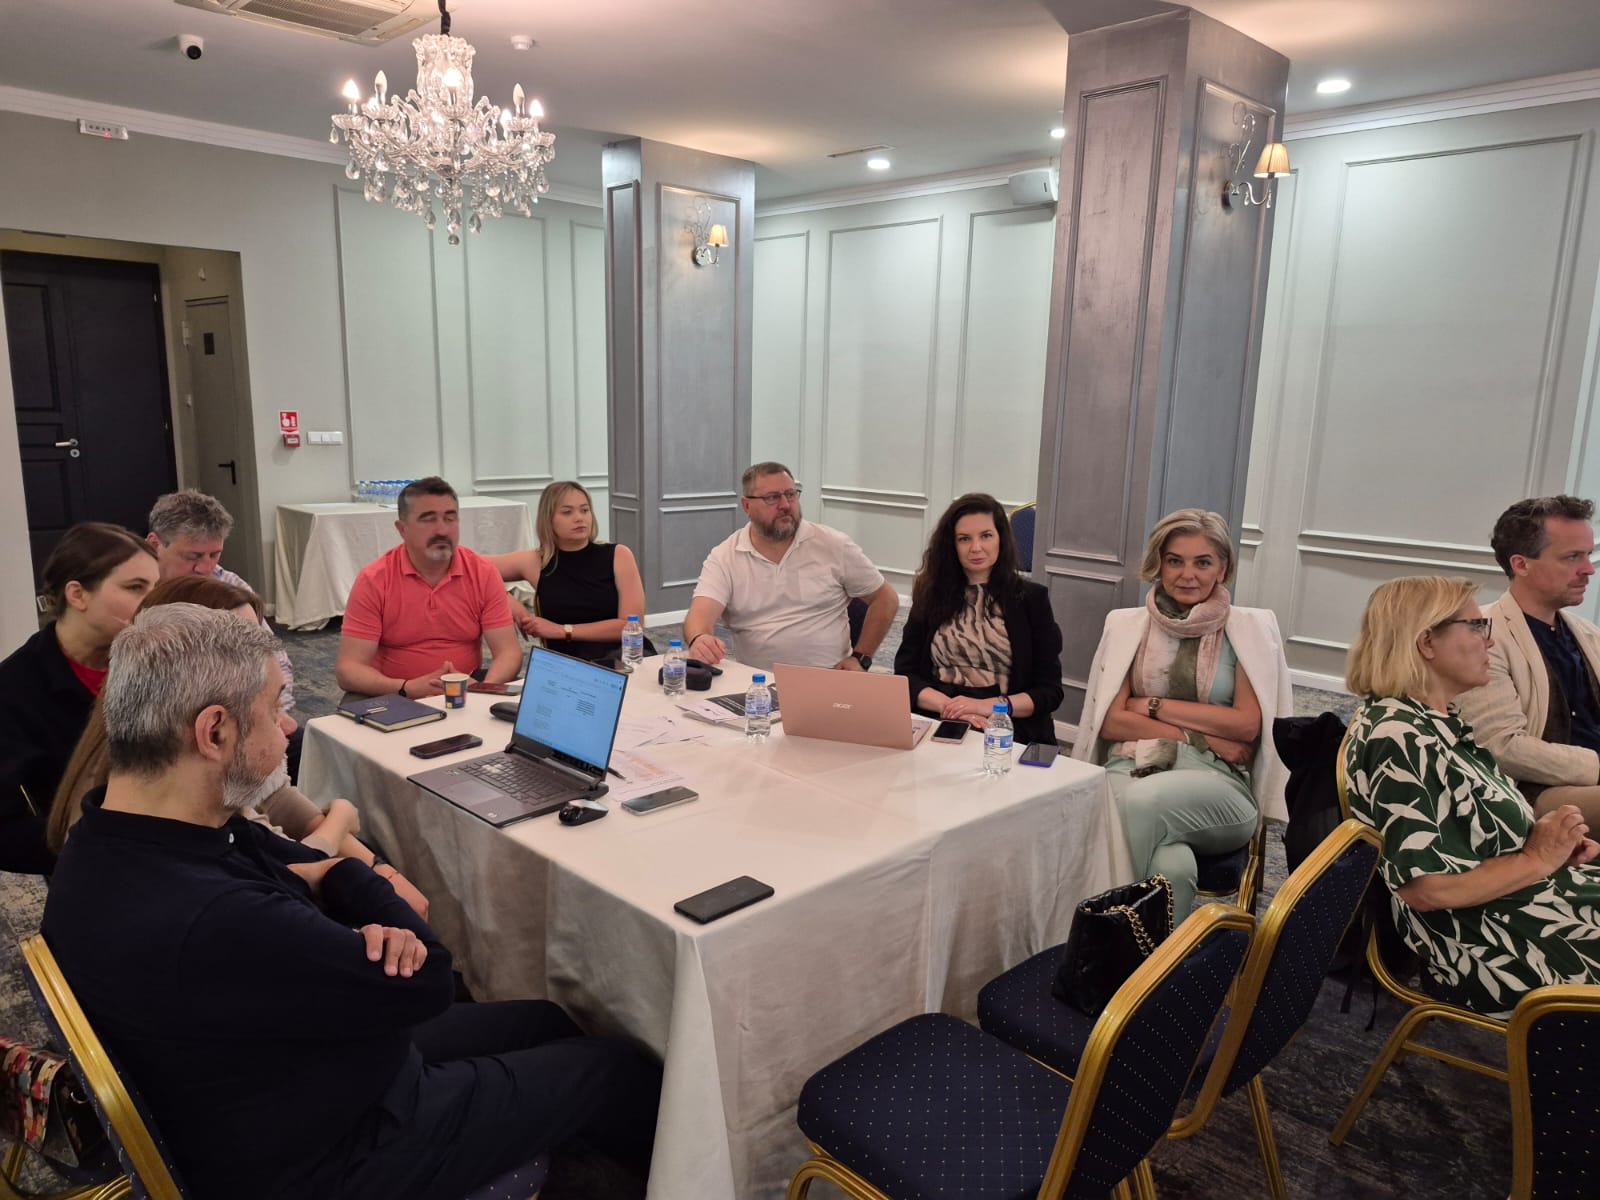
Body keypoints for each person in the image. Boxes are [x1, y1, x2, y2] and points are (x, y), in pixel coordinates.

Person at [42, 604, 661, 1199]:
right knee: (613, 1068)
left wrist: (329, 882)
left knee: (545, 1021)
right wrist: (347, 876)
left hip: (280, 1074)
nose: (289, 727)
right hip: (336, 1147)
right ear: (214, 731)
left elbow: (296, 873)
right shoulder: (218, 914)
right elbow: (429, 980)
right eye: (273, 709)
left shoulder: (108, 837)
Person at [46, 575, 429, 917]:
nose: (286, 722)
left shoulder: (163, 772)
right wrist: (341, 830)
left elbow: (280, 806)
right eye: (240, 642)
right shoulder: (192, 796)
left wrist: (375, 867)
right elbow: (276, 873)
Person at [1343, 575, 1600, 1018]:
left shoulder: (1436, 721)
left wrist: (1550, 848)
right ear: (1427, 642)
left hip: (1518, 906)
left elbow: (1468, 836)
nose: (1490, 641)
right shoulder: (1399, 737)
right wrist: (1536, 858)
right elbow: (1427, 889)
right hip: (1491, 938)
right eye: (1477, 626)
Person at [1072, 508, 1292, 917]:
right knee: (1173, 865)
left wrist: (1152, 706)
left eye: (1202, 562)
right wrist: (1199, 735)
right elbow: (1113, 721)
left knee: (1138, 804)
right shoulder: (1126, 626)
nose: (1187, 574)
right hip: (1130, 765)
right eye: (1175, 561)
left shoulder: (1248, 629)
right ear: (1159, 564)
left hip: (1219, 781)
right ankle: (1162, 957)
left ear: (1222, 568)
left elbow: (1245, 725)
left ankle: (1096, 936)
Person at [0, 523, 158, 874]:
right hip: (92, 865)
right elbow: (7, 831)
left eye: (156, 588)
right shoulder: (14, 689)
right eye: (135, 587)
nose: (154, 601)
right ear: (77, 595)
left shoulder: (154, 661)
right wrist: (98, 844)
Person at [1456, 495, 1600, 826]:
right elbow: (1502, 747)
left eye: (1588, 555)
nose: (1589, 569)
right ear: (1521, 564)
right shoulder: (1483, 636)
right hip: (1529, 792)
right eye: (1572, 557)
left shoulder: (1586, 633)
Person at [683, 461, 898, 671]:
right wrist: (699, 638)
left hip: (828, 676)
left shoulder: (833, 545)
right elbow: (700, 614)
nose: (785, 505)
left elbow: (885, 598)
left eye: (791, 494)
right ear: (747, 506)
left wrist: (861, 658)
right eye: (772, 497)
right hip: (757, 681)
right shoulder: (726, 556)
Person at [893, 493, 1063, 744]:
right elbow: (905, 675)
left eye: (986, 536)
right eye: (964, 539)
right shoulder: (931, 594)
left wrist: (987, 707)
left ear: (1001, 539)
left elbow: (1049, 691)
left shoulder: (1031, 599)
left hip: (1007, 727)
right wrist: (952, 707)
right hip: (939, 718)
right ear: (951, 545)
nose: (976, 548)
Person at [336, 477, 522, 698]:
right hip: (394, 693)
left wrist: (482, 690)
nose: (442, 530)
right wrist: (406, 688)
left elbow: (509, 653)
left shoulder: (482, 573)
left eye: (450, 518)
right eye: (428, 519)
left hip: (465, 691)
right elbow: (349, 669)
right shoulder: (374, 579)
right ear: (402, 529)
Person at [489, 481, 650, 662]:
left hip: (622, 658)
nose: (579, 518)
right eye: (567, 512)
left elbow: (632, 626)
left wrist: (563, 630)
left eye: (584, 510)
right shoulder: (535, 561)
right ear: (548, 519)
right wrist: (508, 600)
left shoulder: (618, 555)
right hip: (566, 665)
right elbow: (469, 565)